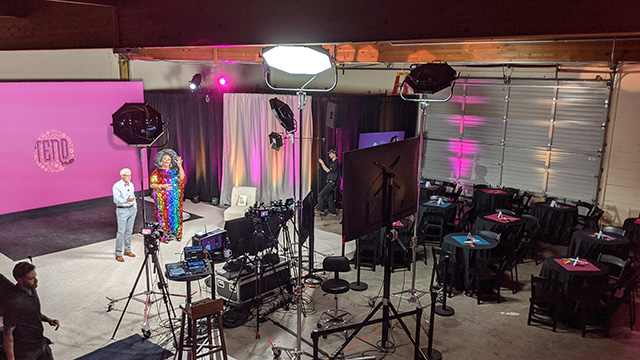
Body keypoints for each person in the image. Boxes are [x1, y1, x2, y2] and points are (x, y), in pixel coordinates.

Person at [3, 262, 59, 360]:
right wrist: (11, 358)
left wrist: (48, 319)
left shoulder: (32, 290)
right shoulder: (14, 302)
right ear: (20, 280)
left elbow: (31, 312)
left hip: (41, 344)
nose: (36, 280)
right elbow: (8, 334)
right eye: (31, 278)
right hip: (27, 352)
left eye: (35, 276)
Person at [150, 149, 186, 242]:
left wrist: (180, 165)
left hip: (174, 199)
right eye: (164, 158)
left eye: (168, 159)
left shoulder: (174, 172)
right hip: (163, 200)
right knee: (164, 216)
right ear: (161, 160)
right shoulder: (156, 172)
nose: (166, 161)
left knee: (175, 215)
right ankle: (165, 235)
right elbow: (152, 185)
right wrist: (163, 186)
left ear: (171, 162)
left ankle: (177, 233)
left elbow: (182, 178)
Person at [112, 168, 137, 262]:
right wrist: (126, 200)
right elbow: (116, 199)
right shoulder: (117, 186)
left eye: (130, 175)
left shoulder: (131, 184)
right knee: (121, 232)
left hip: (131, 209)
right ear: (122, 176)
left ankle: (127, 250)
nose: (129, 177)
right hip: (122, 210)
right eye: (127, 175)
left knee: (129, 231)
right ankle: (118, 253)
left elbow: (133, 195)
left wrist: (135, 206)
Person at [317, 148, 340, 216]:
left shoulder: (335, 163)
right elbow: (326, 170)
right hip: (330, 182)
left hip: (331, 183)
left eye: (330, 153)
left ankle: (321, 210)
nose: (329, 155)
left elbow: (327, 170)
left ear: (334, 154)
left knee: (320, 195)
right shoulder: (332, 163)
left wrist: (322, 163)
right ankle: (333, 212)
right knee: (329, 198)